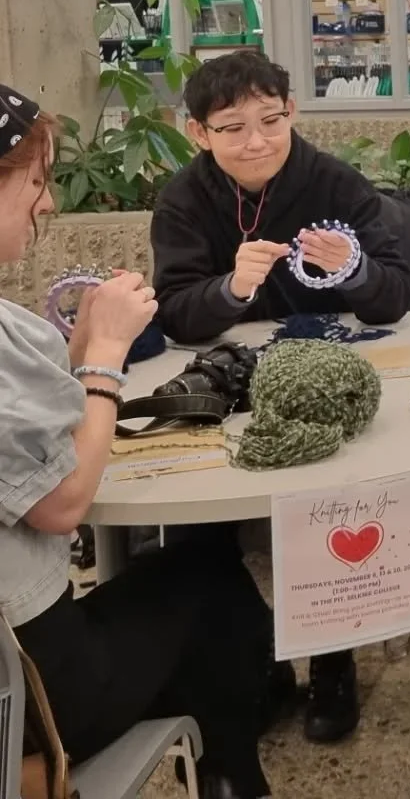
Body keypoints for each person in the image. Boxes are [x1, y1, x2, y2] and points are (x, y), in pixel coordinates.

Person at [0, 84, 273, 799]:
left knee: (186, 590)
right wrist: (104, 360)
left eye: (273, 120)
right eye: (37, 181)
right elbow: (60, 503)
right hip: (26, 691)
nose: (50, 203)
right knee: (215, 591)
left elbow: (14, 444)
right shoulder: (184, 197)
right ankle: (237, 774)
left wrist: (86, 348)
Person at [151, 50, 410, 744]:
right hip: (225, 380)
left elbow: (395, 297)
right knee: (191, 524)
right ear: (199, 133)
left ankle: (333, 661)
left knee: (327, 499)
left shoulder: (332, 182)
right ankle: (255, 660)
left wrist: (355, 268)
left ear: (292, 112)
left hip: (323, 373)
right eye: (232, 127)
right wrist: (230, 289)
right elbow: (177, 312)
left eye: (272, 120)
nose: (257, 141)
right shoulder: (184, 198)